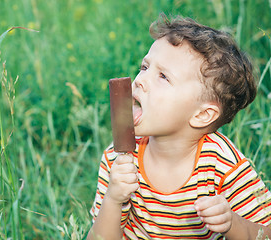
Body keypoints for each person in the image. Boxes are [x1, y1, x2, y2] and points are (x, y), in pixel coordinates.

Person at [87, 14, 271, 240]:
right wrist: (114, 198)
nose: (139, 80)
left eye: (163, 76)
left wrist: (231, 223)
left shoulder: (224, 165)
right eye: (145, 67)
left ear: (203, 114)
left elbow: (265, 234)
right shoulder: (119, 161)